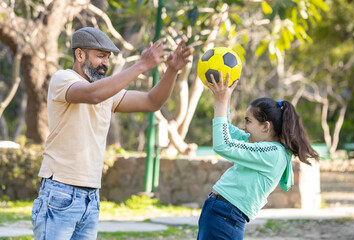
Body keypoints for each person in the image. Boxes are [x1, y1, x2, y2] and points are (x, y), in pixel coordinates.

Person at [31, 27, 192, 240]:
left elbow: (152, 102)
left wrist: (172, 71)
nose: (105, 63)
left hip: (91, 196)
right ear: (79, 55)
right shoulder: (63, 79)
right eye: (100, 56)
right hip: (60, 192)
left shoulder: (107, 92)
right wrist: (142, 65)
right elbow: (93, 94)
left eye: (108, 57)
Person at [197, 72, 319, 240]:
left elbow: (223, 145)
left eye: (248, 121)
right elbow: (228, 132)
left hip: (225, 216)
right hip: (220, 213)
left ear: (265, 127)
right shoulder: (260, 145)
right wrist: (223, 98)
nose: (244, 126)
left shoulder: (272, 153)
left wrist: (222, 101)